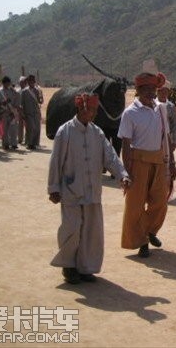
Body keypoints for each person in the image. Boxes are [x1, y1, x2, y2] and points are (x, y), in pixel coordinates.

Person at [48, 93, 128, 284]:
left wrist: (122, 175)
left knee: (91, 232)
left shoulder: (97, 133)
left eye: (94, 111)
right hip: (71, 190)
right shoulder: (64, 132)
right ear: (79, 109)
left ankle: (86, 268)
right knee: (72, 229)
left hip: (92, 191)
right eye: (88, 110)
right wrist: (53, 187)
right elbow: (56, 161)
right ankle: (69, 267)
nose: (91, 114)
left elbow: (110, 157)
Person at [118, 72, 176, 258]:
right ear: (139, 91)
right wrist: (125, 171)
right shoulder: (130, 113)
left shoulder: (161, 109)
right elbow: (126, 144)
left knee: (160, 201)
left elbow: (166, 137)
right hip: (138, 162)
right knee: (135, 204)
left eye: (153, 89)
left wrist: (172, 161)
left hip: (159, 161)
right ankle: (142, 242)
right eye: (147, 89)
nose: (152, 92)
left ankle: (150, 230)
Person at [0, 76, 21, 151]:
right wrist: (4, 103)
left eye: (9, 83)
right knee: (5, 130)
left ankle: (14, 144)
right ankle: (5, 144)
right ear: (3, 83)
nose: (8, 84)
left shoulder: (12, 91)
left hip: (12, 112)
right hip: (4, 113)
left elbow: (16, 99)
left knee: (13, 129)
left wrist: (14, 110)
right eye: (6, 83)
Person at [21, 74, 43, 150]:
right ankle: (29, 143)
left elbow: (40, 101)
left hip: (36, 112)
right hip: (28, 112)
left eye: (33, 81)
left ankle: (34, 143)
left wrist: (40, 98)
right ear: (28, 82)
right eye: (30, 81)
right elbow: (22, 103)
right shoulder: (24, 91)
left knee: (37, 128)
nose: (31, 83)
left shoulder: (37, 91)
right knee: (31, 128)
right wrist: (22, 113)